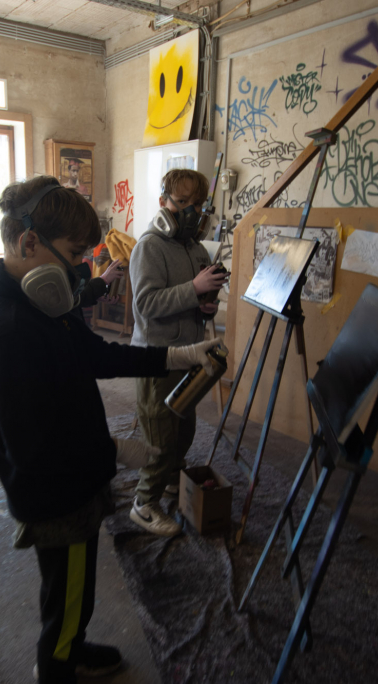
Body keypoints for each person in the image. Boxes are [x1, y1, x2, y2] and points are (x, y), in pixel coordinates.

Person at [0, 175, 223, 684]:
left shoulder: (44, 306)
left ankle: (73, 646)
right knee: (67, 591)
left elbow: (97, 356)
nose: (82, 268)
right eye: (74, 254)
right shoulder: (8, 334)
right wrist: (112, 450)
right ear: (28, 242)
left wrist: (176, 356)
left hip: (76, 479)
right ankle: (58, 666)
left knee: (74, 587)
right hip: (55, 494)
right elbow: (33, 450)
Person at [128, 168, 230, 537]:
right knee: (160, 436)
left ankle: (172, 479)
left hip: (190, 355)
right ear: (163, 202)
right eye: (182, 201)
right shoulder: (149, 247)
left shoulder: (196, 248)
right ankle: (144, 504)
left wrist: (206, 306)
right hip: (156, 356)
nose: (191, 210)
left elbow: (196, 300)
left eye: (197, 204)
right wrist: (193, 288)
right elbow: (146, 304)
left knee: (183, 429)